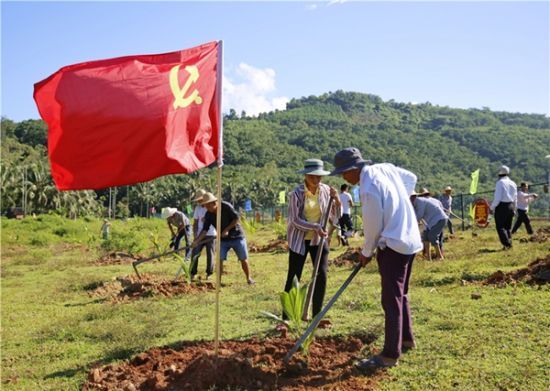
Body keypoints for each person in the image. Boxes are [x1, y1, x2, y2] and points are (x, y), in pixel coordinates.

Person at [330, 147, 422, 369]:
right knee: (402, 294)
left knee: (391, 300)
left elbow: (373, 227)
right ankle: (406, 339)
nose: (344, 178)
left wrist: (366, 252)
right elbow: (411, 178)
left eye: (344, 173)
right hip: (410, 240)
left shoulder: (368, 188)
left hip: (393, 245)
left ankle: (390, 355)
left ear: (354, 169)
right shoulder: (385, 168)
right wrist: (401, 204)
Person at [284, 159, 341, 327]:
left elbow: (335, 216)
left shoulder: (326, 191)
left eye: (319, 177)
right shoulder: (296, 194)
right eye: (312, 176)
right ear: (305, 176)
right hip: (299, 239)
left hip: (319, 239)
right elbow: (295, 220)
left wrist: (337, 201)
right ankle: (287, 317)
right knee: (294, 277)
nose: (316, 180)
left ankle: (317, 316)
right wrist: (315, 226)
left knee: (321, 276)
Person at [193, 192, 254, 285]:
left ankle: (248, 278)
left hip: (237, 236)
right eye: (205, 206)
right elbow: (205, 230)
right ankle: (219, 281)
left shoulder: (226, 206)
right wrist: (197, 241)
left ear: (214, 203)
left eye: (208, 206)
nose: (206, 208)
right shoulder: (208, 214)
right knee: (220, 259)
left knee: (243, 258)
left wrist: (226, 230)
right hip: (223, 240)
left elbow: (236, 218)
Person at [410, 189, 448, 260]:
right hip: (430, 222)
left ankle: (440, 256)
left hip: (439, 219)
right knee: (426, 237)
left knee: (432, 236)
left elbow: (419, 215)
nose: (411, 198)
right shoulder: (414, 204)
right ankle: (428, 258)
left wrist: (413, 224)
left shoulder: (420, 201)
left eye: (413, 196)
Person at [190, 189, 216, 280]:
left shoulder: (211, 206)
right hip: (200, 235)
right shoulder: (198, 208)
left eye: (201, 200)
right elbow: (195, 223)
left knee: (210, 254)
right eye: (198, 200)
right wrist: (195, 236)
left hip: (211, 234)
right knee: (195, 253)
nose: (199, 202)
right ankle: (193, 273)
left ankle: (209, 273)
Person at [490, 165, 517, 250]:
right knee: (508, 227)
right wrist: (515, 208)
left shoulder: (500, 183)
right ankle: (508, 243)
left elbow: (497, 198)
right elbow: (515, 197)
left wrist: (492, 207)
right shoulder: (513, 183)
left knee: (500, 227)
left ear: (499, 173)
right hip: (511, 205)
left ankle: (507, 244)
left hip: (502, 206)